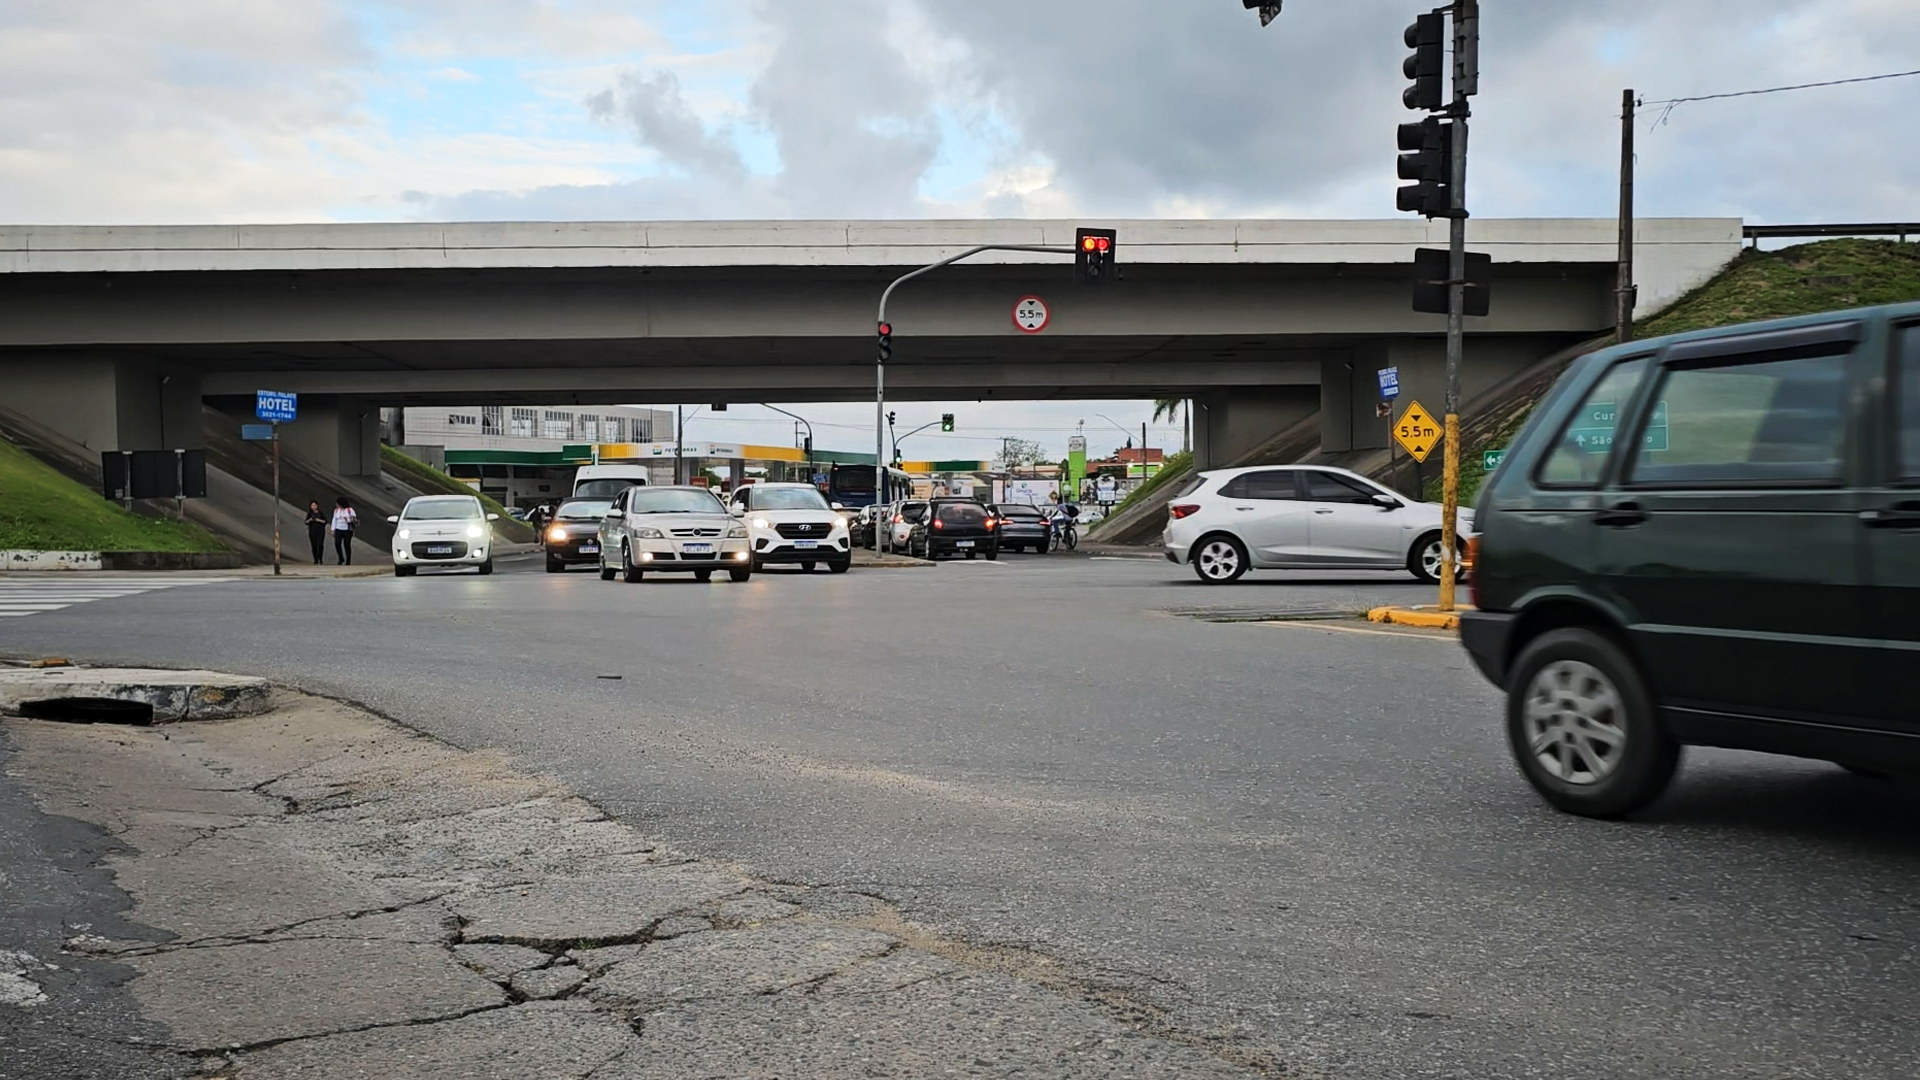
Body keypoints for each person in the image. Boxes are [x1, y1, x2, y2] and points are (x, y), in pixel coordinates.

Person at [329, 496, 358, 565]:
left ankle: (348, 560)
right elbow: (334, 520)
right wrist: (333, 529)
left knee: (347, 544)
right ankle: (341, 558)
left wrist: (347, 519)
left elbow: (354, 519)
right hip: (339, 528)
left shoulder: (349, 510)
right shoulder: (336, 510)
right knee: (337, 543)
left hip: (347, 529)